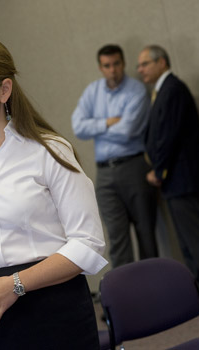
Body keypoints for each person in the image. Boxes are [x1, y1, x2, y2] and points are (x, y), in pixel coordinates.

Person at [0, 35, 108, 349]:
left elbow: (88, 243)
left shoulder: (49, 151)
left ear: (4, 90)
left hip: (52, 306)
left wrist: (17, 284)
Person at [137, 45, 199, 311]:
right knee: (188, 241)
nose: (140, 70)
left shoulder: (172, 89)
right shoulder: (162, 91)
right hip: (177, 180)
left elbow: (168, 136)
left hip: (184, 177)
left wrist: (159, 170)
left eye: (145, 64)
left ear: (162, 62)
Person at [72, 44, 158, 268]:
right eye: (107, 66)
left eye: (116, 64)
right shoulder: (93, 91)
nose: (113, 70)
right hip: (105, 174)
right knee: (116, 236)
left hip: (134, 167)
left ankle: (154, 290)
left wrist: (97, 129)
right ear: (100, 68)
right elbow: (78, 127)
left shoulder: (136, 90)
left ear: (123, 64)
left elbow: (129, 130)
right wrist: (109, 122)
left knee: (146, 232)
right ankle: (128, 294)